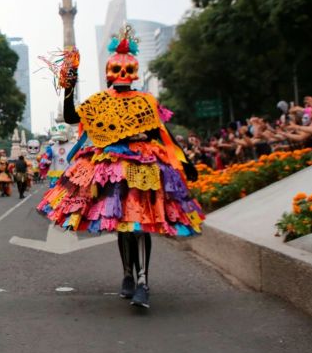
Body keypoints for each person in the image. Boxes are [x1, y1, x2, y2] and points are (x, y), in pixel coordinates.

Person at [38, 25, 205, 309]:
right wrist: (68, 86)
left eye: (128, 70)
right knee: (125, 226)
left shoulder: (145, 101)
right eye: (118, 69)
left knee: (139, 225)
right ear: (109, 72)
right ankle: (128, 275)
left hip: (145, 166)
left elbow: (160, 133)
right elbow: (70, 117)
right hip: (112, 167)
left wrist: (183, 161)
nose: (123, 75)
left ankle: (143, 282)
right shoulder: (100, 101)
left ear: (135, 71)